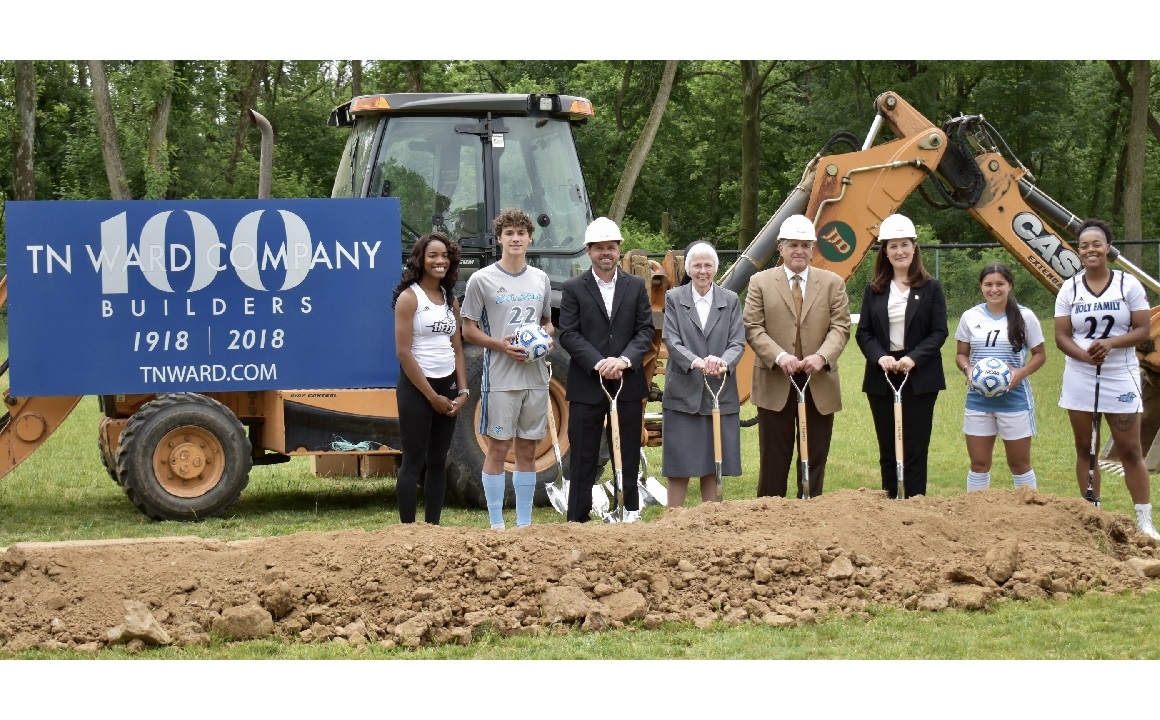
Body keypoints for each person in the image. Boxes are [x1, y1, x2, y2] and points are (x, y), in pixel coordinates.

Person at [1053, 218, 1160, 539]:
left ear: (1107, 247)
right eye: (1084, 245)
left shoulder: (1128, 285)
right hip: (1081, 374)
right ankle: (1093, 513)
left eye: (1096, 244)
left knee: (1130, 451)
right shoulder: (1069, 288)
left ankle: (1144, 520)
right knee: (1085, 447)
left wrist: (1110, 343)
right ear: (1078, 250)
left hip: (1120, 374)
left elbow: (1143, 330)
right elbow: (1061, 335)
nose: (1090, 250)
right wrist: (1084, 355)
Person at [744, 214, 851, 499]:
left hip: (818, 381)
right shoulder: (760, 282)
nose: (799, 250)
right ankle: (770, 514)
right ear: (780, 247)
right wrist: (779, 356)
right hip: (775, 380)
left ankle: (811, 510)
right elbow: (753, 327)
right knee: (773, 457)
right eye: (793, 244)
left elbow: (841, 326)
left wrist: (822, 357)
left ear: (813, 248)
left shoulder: (832, 283)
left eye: (805, 245)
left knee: (814, 455)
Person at [460, 209, 554, 530]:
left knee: (528, 449)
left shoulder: (540, 278)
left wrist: (545, 341)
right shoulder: (481, 279)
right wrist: (501, 345)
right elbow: (468, 329)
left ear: (530, 238)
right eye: (509, 233)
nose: (516, 239)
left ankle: (524, 524)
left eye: (521, 233)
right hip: (500, 379)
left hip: (536, 379)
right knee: (498, 448)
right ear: (499, 238)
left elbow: (546, 323)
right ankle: (497, 524)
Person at [558, 216, 654, 522]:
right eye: (599, 248)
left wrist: (623, 361)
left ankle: (630, 512)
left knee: (626, 452)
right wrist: (599, 362)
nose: (605, 253)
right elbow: (568, 333)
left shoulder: (636, 286)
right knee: (583, 455)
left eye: (611, 248)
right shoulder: (573, 288)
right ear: (589, 251)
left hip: (627, 383)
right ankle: (578, 518)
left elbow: (644, 330)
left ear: (618, 250)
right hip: (588, 383)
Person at [854, 213, 948, 499]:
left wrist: (915, 358)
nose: (899, 251)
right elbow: (864, 332)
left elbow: (939, 331)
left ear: (914, 247)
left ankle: (915, 503)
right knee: (888, 446)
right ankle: (890, 502)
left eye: (904, 244)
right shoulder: (875, 289)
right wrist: (879, 357)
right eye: (893, 246)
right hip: (883, 375)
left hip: (919, 376)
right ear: (885, 251)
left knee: (915, 446)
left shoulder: (931, 287)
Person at [391, 233, 468, 524]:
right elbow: (403, 353)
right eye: (433, 255)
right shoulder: (409, 298)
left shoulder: (451, 300)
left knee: (438, 462)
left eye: (445, 255)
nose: (440, 261)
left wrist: (462, 392)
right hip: (417, 388)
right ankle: (409, 532)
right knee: (414, 462)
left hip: (446, 385)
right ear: (420, 260)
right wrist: (431, 396)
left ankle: (433, 528)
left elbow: (457, 348)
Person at [661, 242, 745, 506]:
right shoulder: (674, 298)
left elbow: (737, 342)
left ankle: (711, 522)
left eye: (708, 265)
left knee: (713, 460)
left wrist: (722, 362)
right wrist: (697, 361)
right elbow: (671, 340)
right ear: (689, 268)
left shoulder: (730, 300)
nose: (702, 271)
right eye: (697, 265)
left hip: (719, 390)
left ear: (715, 269)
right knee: (679, 462)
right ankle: (673, 522)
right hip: (684, 391)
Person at [954, 262, 1046, 493]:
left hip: (1014, 401)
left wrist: (1019, 373)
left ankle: (1028, 515)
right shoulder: (970, 316)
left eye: (1000, 284)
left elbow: (1040, 355)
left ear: (1010, 286)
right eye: (988, 284)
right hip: (978, 401)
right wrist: (969, 371)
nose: (994, 289)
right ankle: (975, 515)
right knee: (979, 465)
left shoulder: (1026, 316)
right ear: (981, 287)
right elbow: (961, 354)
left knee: (1019, 465)